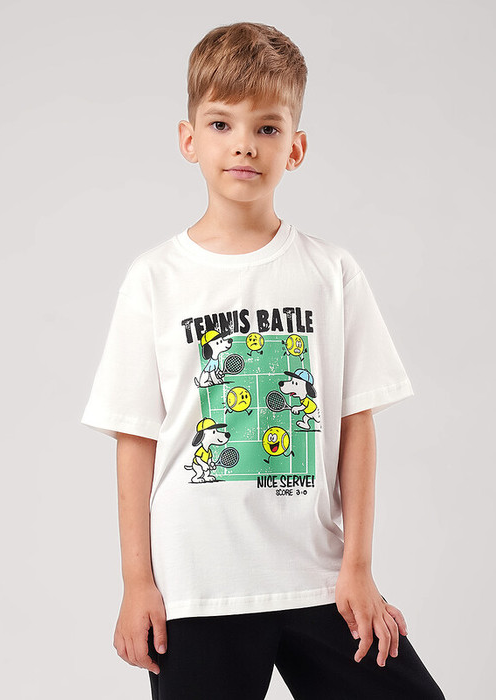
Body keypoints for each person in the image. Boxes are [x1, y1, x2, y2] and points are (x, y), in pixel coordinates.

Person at [81, 21, 445, 700]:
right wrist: (137, 584)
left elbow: (356, 424)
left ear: (295, 147)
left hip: (318, 577)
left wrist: (357, 568)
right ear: (189, 139)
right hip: (198, 589)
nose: (243, 143)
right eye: (221, 124)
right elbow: (135, 437)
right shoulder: (155, 279)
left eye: (267, 127)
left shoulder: (330, 273)